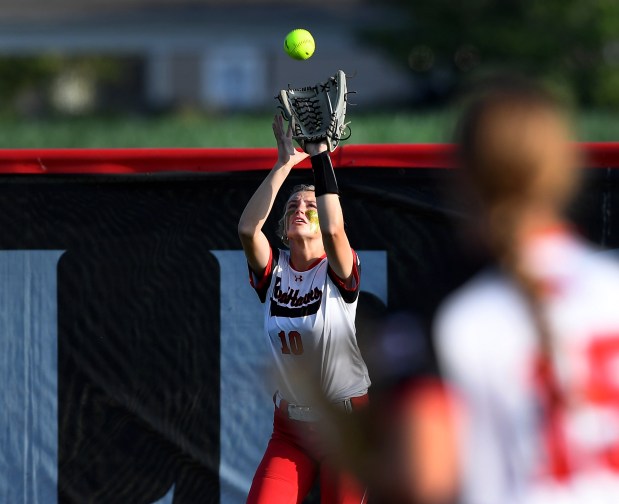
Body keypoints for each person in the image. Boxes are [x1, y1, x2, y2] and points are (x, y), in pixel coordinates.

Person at [432, 77, 619, 504]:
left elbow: (423, 473)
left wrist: (345, 438)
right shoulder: (613, 285)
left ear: (465, 178)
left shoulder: (465, 315)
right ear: (565, 172)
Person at [238, 114, 370, 504]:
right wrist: (283, 165)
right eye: (293, 204)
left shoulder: (336, 268)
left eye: (310, 205)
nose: (300, 208)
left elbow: (333, 231)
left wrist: (319, 156)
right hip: (290, 428)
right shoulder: (274, 268)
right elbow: (248, 229)